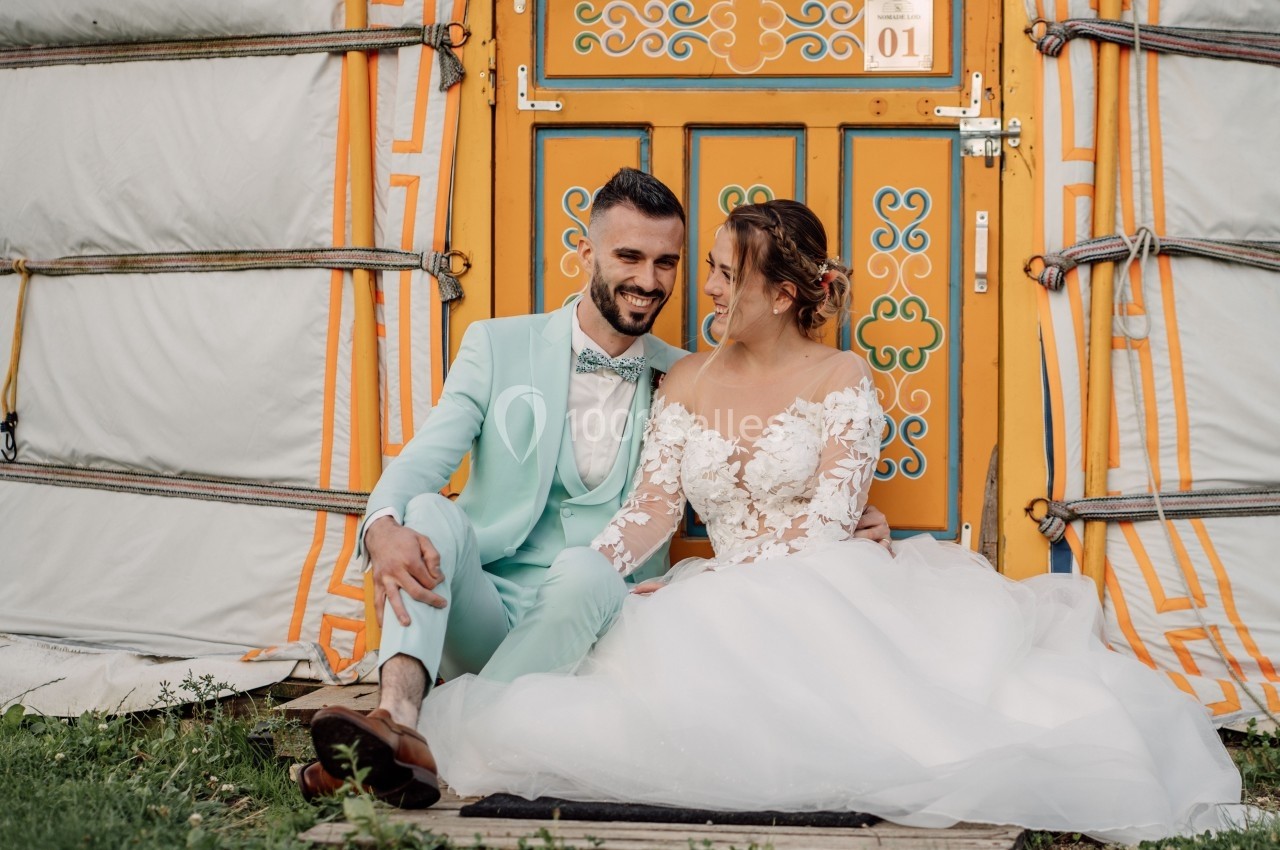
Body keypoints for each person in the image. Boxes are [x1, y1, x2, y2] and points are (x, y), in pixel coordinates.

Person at [419, 199, 1246, 844]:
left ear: (782, 294)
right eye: (705, 267)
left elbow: (827, 522)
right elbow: (653, 509)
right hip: (711, 589)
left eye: (722, 274)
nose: (703, 288)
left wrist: (720, 580)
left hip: (819, 583)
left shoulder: (841, 379)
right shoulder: (685, 383)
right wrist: (601, 571)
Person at [299, 171, 891, 807]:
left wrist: (839, 514)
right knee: (421, 511)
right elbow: (651, 503)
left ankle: (407, 750)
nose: (654, 280)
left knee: (584, 571)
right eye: (630, 257)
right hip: (483, 603)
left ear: (778, 294)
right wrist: (381, 525)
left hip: (597, 608)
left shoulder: (679, 370)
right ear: (586, 254)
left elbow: (766, 483)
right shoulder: (502, 345)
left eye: (669, 262)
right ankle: (398, 717)